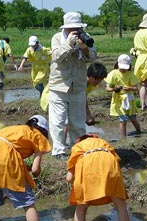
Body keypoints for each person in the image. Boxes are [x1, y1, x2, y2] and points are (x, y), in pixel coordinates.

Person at [0, 115, 51, 221]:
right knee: (28, 203)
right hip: (5, 162)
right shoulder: (38, 136)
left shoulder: (16, 129)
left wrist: (25, 167)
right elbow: (35, 170)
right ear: (44, 131)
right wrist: (36, 172)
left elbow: (7, 150)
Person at [48, 12, 97, 159]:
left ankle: (78, 149)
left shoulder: (85, 37)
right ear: (65, 28)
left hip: (78, 86)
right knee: (58, 121)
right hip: (59, 86)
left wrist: (84, 48)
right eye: (71, 28)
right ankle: (58, 151)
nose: (74, 31)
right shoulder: (57, 38)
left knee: (77, 121)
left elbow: (93, 57)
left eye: (77, 28)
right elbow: (56, 57)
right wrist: (68, 44)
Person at [66, 134, 131, 221]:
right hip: (109, 163)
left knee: (81, 206)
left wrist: (78, 184)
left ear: (80, 141)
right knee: (120, 204)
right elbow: (116, 161)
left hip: (87, 165)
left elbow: (69, 178)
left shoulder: (77, 147)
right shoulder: (103, 142)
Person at [105, 54, 141, 138]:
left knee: (133, 118)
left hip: (129, 99)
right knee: (123, 120)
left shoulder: (130, 74)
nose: (124, 69)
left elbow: (136, 88)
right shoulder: (113, 73)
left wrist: (130, 88)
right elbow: (108, 88)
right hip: (119, 100)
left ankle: (139, 131)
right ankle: (123, 138)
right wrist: (114, 89)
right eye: (122, 67)